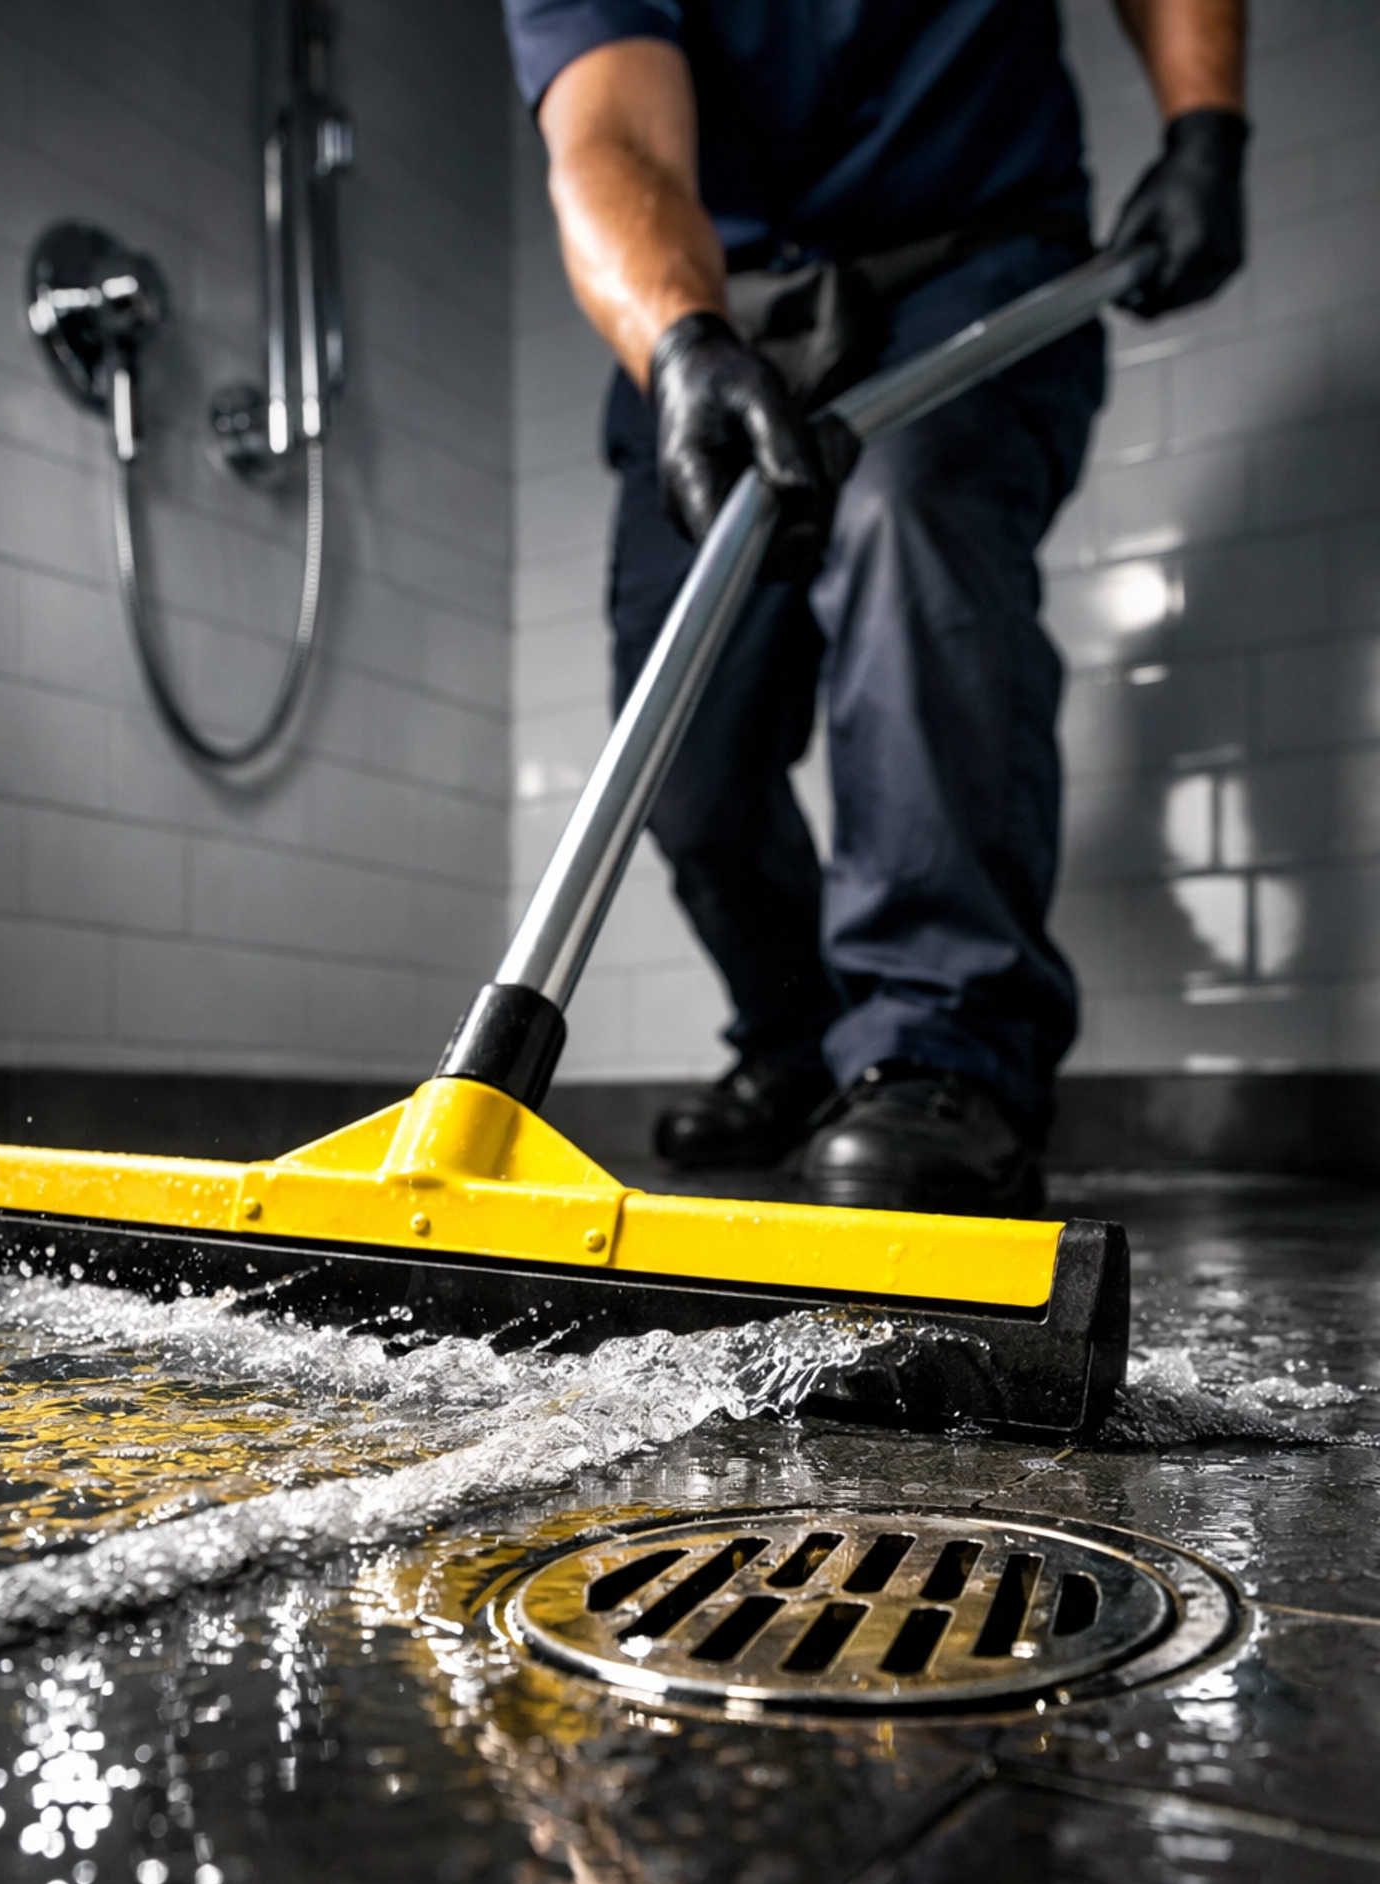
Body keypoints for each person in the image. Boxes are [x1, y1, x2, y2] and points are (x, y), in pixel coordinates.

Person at [502, 0, 1247, 1213]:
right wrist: (684, 346)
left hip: (968, 260)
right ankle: (802, 1050)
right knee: (685, 755)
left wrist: (1205, 125)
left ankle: (942, 1052)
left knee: (913, 523)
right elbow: (613, 139)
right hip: (713, 305)